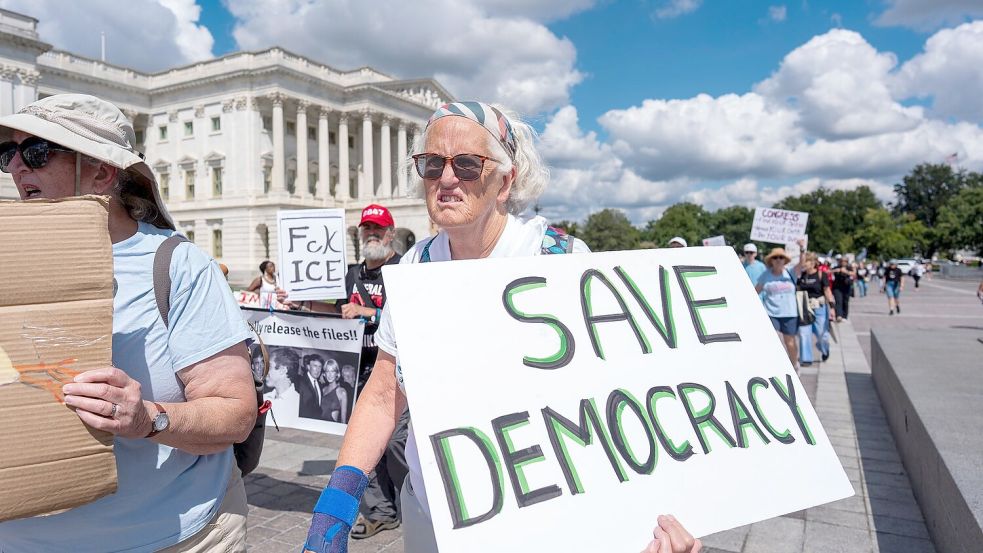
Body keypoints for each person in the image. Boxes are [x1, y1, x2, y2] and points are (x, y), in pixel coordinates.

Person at [301, 101, 698, 553]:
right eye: (433, 164)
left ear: (506, 181)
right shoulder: (415, 264)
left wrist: (652, 514)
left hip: (544, 523)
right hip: (431, 516)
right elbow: (384, 390)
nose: (447, 178)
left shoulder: (559, 259)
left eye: (468, 165)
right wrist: (336, 502)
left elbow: (624, 399)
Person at [0, 94, 256, 552]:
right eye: (7, 153)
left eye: (36, 151)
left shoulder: (177, 266)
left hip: (172, 536)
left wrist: (149, 419)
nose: (17, 168)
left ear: (102, 171)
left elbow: (235, 413)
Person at [335, 203, 409, 539]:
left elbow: (412, 317)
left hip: (394, 372)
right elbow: (332, 311)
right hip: (356, 372)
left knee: (396, 443)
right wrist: (295, 306)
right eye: (367, 228)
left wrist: (367, 312)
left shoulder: (404, 270)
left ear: (391, 233)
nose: (372, 233)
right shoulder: (350, 274)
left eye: (378, 228)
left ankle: (416, 501)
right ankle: (382, 511)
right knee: (365, 443)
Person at [756, 247, 800, 370]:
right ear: (771, 260)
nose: (778, 260)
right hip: (771, 312)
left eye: (781, 257)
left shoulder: (790, 273)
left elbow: (802, 263)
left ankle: (794, 364)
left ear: (785, 260)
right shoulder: (766, 275)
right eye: (775, 257)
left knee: (790, 342)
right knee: (773, 340)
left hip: (789, 312)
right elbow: (755, 291)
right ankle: (775, 366)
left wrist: (801, 248)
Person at [796, 252, 835, 366]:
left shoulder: (820, 275)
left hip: (819, 307)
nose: (804, 264)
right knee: (804, 333)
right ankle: (806, 359)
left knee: (822, 334)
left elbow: (827, 291)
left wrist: (832, 307)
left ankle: (824, 348)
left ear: (813, 263)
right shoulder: (801, 276)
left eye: (807, 261)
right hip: (804, 307)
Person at [299, 353, 329, 419]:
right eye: (315, 366)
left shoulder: (319, 384)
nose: (317, 370)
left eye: (320, 367)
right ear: (308, 367)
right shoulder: (301, 382)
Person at [320, 358, 349, 423]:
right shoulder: (323, 389)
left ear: (337, 374)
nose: (330, 375)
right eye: (327, 371)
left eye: (332, 371)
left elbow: (343, 421)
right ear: (324, 373)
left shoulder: (342, 392)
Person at [830, 255, 855, 321]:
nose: (843, 262)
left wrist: (846, 272)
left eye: (845, 261)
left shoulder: (849, 268)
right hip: (837, 287)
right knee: (838, 301)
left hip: (846, 287)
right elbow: (828, 271)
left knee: (845, 301)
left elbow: (854, 274)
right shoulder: (836, 267)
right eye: (842, 261)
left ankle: (844, 316)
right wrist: (836, 270)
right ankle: (839, 315)